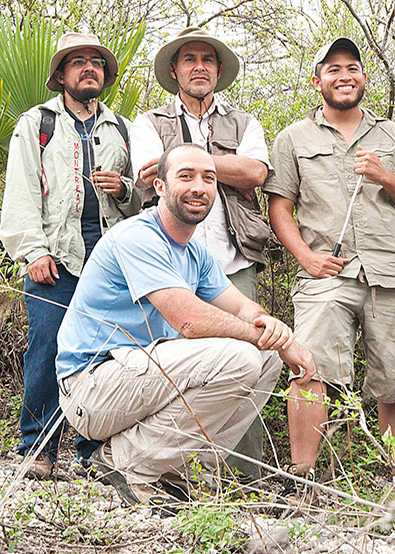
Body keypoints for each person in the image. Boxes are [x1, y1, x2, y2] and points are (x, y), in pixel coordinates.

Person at [56, 143, 313, 513]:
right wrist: (265, 337)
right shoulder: (138, 236)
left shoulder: (194, 252)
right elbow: (190, 321)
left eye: (208, 178)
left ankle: (181, 472)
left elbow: (241, 306)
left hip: (138, 378)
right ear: (160, 187)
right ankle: (126, 462)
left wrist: (279, 335)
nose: (199, 187)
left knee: (265, 358)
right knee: (241, 356)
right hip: (92, 388)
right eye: (186, 176)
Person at [265, 37, 395, 478]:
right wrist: (306, 258)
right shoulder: (292, 138)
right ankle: (303, 481)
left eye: (352, 68)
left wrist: (384, 176)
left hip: (392, 275)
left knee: (394, 383)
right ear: (317, 80)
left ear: (363, 78)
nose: (344, 76)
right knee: (306, 370)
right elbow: (280, 207)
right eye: (333, 69)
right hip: (327, 277)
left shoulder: (393, 135)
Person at [129, 27, 275, 478]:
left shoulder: (244, 122)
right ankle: (173, 471)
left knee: (250, 358)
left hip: (233, 263)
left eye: (207, 60)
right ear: (174, 70)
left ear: (217, 70)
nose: (198, 67)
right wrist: (217, 164)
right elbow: (147, 174)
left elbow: (254, 172)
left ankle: (244, 477)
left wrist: (187, 160)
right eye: (188, 59)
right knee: (180, 365)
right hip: (172, 265)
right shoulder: (148, 121)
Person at [0, 32, 140, 480]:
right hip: (56, 260)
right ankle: (38, 448)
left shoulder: (122, 127)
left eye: (96, 62)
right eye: (78, 62)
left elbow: (144, 199)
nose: (89, 69)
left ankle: (93, 450)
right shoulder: (37, 123)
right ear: (61, 75)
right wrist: (33, 251)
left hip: (111, 261)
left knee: (107, 354)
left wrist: (126, 190)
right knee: (48, 350)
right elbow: (20, 192)